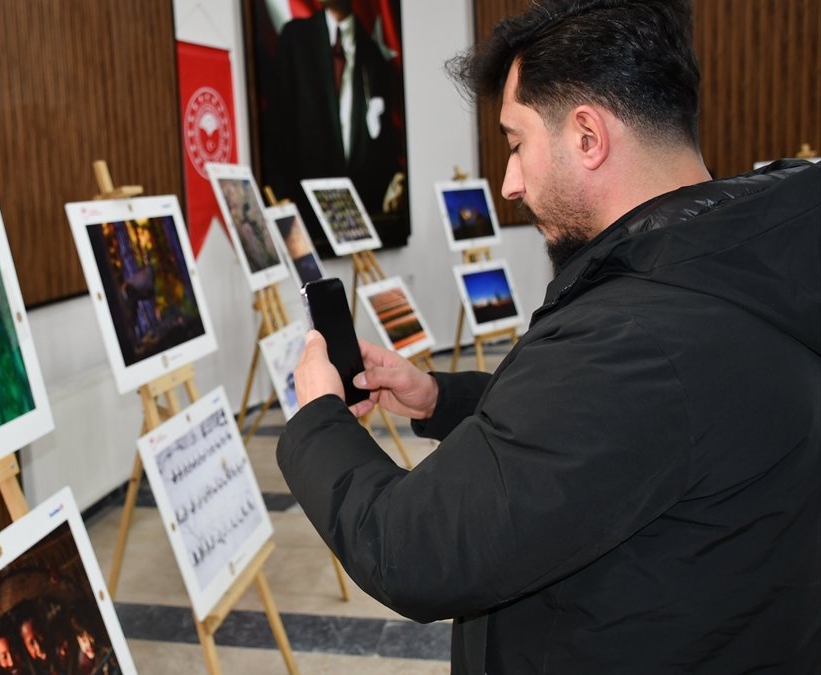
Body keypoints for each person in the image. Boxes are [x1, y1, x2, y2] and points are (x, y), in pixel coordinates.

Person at [277, 1, 820, 672]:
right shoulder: (729, 265)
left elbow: (411, 549)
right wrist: (441, 398)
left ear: (588, 136)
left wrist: (318, 417)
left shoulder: (637, 335)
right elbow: (609, 436)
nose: (509, 183)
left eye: (515, 143)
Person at [267, 0, 405, 253]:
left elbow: (381, 148)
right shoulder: (296, 39)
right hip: (304, 226)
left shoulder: (373, 54)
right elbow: (277, 132)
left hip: (357, 226)